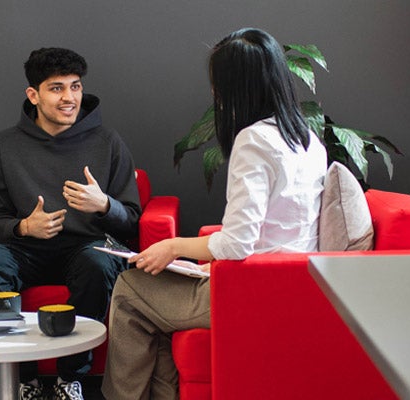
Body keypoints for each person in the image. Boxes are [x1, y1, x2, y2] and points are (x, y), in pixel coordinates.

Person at [101, 28, 328, 400]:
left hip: (253, 292)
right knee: (149, 304)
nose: (214, 94)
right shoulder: (307, 139)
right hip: (293, 285)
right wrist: (204, 262)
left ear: (237, 87)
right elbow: (273, 231)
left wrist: (174, 247)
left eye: (218, 84)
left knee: (129, 291)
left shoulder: (254, 141)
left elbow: (238, 243)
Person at [0, 47, 141, 400]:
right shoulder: (6, 144)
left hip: (85, 246)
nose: (69, 98)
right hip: (24, 249)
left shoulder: (107, 141)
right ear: (33, 95)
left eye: (75, 87)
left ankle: (70, 377)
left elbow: (131, 219)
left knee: (96, 263)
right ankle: (23, 377)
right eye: (57, 88)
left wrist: (104, 205)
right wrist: (23, 228)